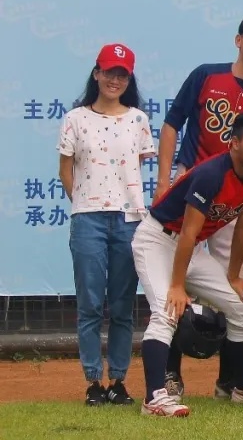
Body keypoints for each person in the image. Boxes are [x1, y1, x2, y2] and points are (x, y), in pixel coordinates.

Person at [153, 12, 243, 399]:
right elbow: (172, 123)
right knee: (176, 285)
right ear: (238, 39)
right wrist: (164, 181)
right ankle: (170, 375)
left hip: (234, 202)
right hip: (191, 193)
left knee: (235, 288)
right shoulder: (206, 76)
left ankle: (232, 381)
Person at [131, 111, 243, 417]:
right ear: (234, 143)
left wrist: (234, 275)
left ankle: (241, 385)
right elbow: (188, 231)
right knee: (167, 311)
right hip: (158, 240)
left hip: (190, 249)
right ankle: (154, 399)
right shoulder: (211, 174)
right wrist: (177, 285)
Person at [58, 43, 156, 407]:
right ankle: (93, 382)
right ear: (96, 73)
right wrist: (84, 203)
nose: (115, 80)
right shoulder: (75, 118)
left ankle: (118, 381)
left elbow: (137, 168)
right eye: (109, 72)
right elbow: (65, 171)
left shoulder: (138, 120)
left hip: (129, 220)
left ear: (129, 79)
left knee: (122, 305)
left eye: (122, 75)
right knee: (89, 304)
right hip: (88, 220)